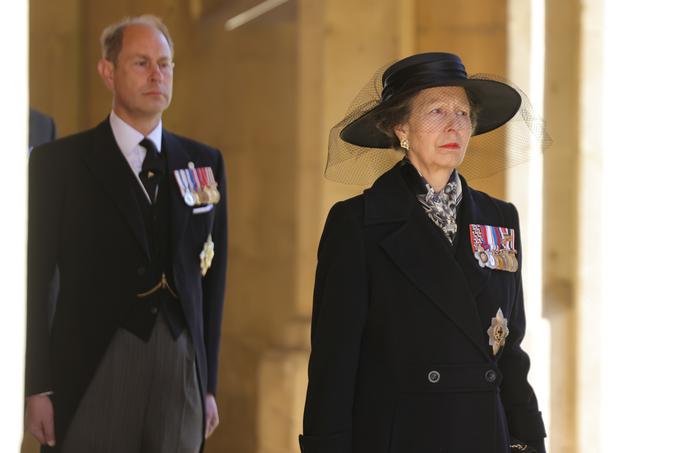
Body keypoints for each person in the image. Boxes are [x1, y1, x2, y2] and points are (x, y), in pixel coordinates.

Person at [300, 53, 546, 453]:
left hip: (486, 435)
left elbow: (510, 353)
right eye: (436, 111)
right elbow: (334, 364)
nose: (454, 125)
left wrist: (530, 440)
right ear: (401, 127)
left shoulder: (501, 219)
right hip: (401, 436)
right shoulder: (356, 225)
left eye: (463, 113)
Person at [24, 15, 228, 453]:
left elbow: (212, 280)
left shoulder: (204, 162)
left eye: (165, 64)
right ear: (107, 71)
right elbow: (35, 279)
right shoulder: (58, 163)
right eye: (141, 63)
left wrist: (206, 382)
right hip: (92, 366)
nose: (157, 75)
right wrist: (36, 385)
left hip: (180, 367)